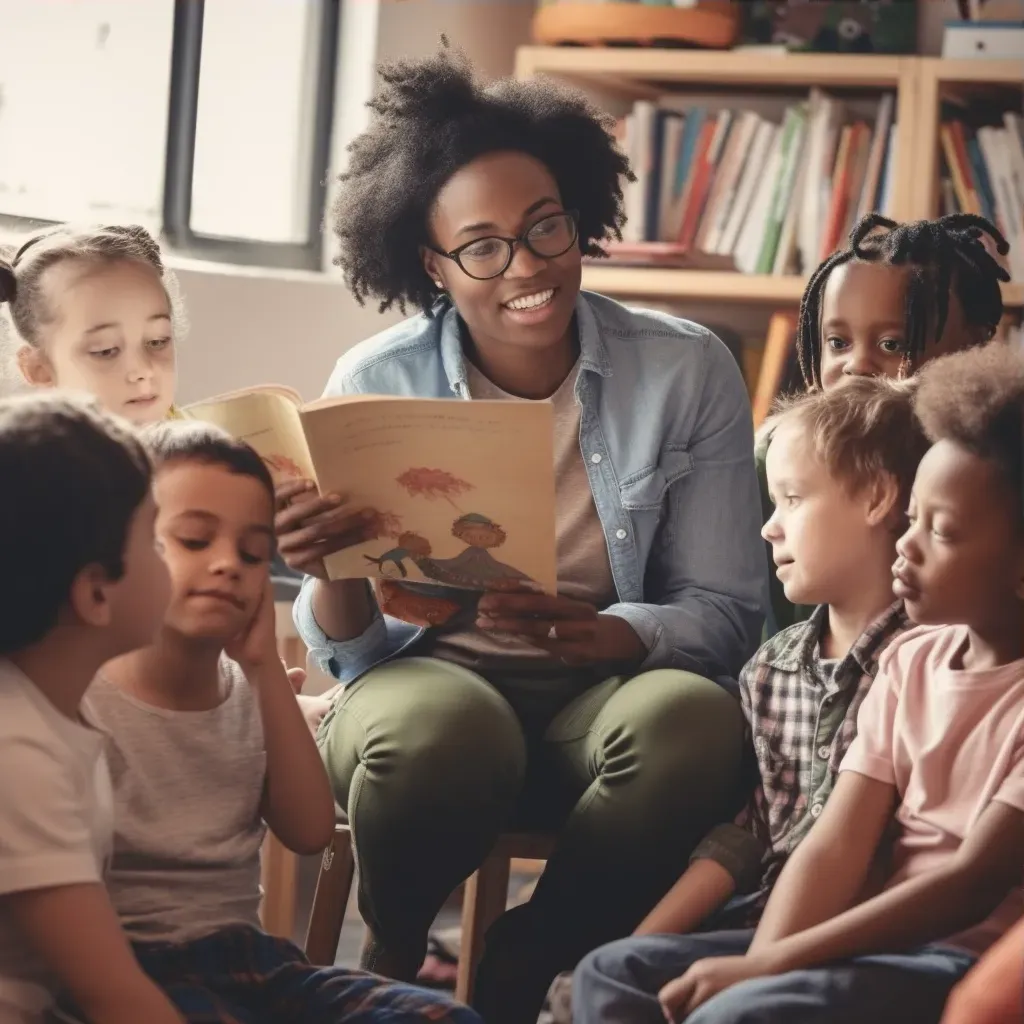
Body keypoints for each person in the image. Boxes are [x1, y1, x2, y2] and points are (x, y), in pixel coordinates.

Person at [278, 43, 766, 1021]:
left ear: (579, 215)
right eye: (484, 245)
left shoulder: (686, 368)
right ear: (431, 263)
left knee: (698, 721)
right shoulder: (375, 378)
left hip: (605, 697)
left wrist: (618, 634)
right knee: (438, 730)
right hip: (430, 688)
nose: (528, 267)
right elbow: (350, 651)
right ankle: (393, 949)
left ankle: (531, 955)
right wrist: (326, 568)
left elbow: (729, 611)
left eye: (547, 227)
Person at [585, 341, 1024, 1024]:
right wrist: (761, 957)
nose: (907, 544)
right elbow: (834, 843)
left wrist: (769, 968)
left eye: (940, 530)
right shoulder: (914, 663)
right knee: (613, 975)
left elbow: (971, 886)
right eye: (911, 520)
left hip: (952, 956)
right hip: (857, 944)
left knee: (736, 1014)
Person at [84, 420, 483, 1024]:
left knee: (445, 1017)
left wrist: (264, 667)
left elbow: (308, 829)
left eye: (252, 551)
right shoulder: (84, 698)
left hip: (254, 962)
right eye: (194, 540)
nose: (229, 565)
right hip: (126, 965)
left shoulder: (248, 688)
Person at [0, 225, 327, 732]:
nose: (142, 370)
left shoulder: (193, 446)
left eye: (157, 340)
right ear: (38, 367)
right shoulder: (35, 477)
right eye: (106, 351)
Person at [0, 392, 183, 1024]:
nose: (170, 563)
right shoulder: (16, 752)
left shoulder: (50, 710)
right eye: (157, 541)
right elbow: (114, 997)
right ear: (97, 593)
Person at [760, 212, 1010, 636]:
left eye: (892, 343)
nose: (856, 364)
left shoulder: (993, 472)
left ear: (973, 344)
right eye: (837, 343)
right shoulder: (779, 458)